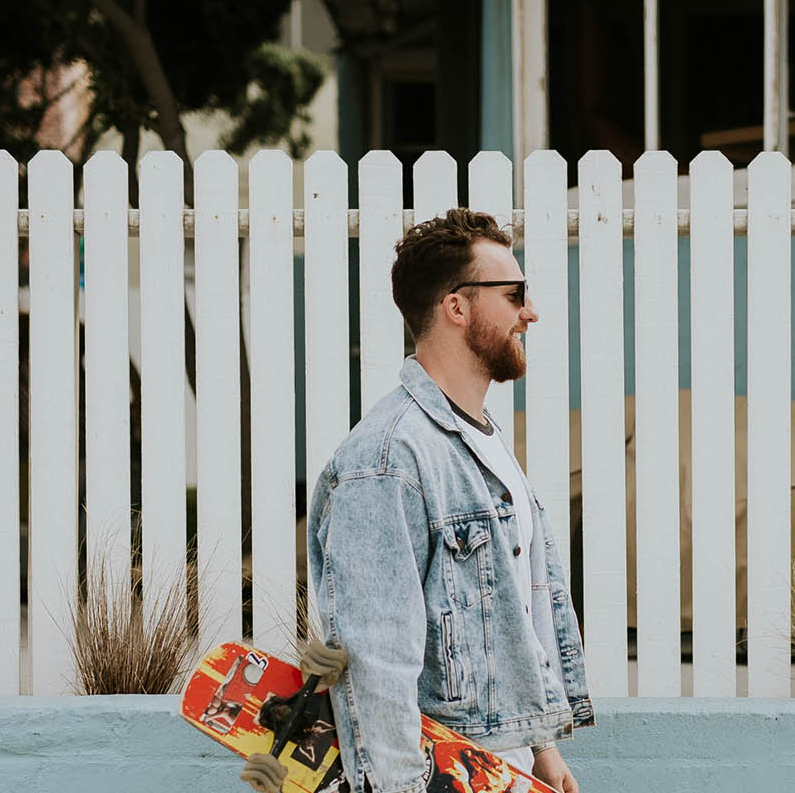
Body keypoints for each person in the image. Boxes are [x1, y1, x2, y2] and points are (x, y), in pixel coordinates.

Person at [242, 208, 592, 793]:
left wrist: (541, 745)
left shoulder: (480, 438)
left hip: (503, 766)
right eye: (514, 295)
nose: (530, 311)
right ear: (457, 306)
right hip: (435, 773)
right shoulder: (386, 460)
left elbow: (513, 609)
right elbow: (375, 658)